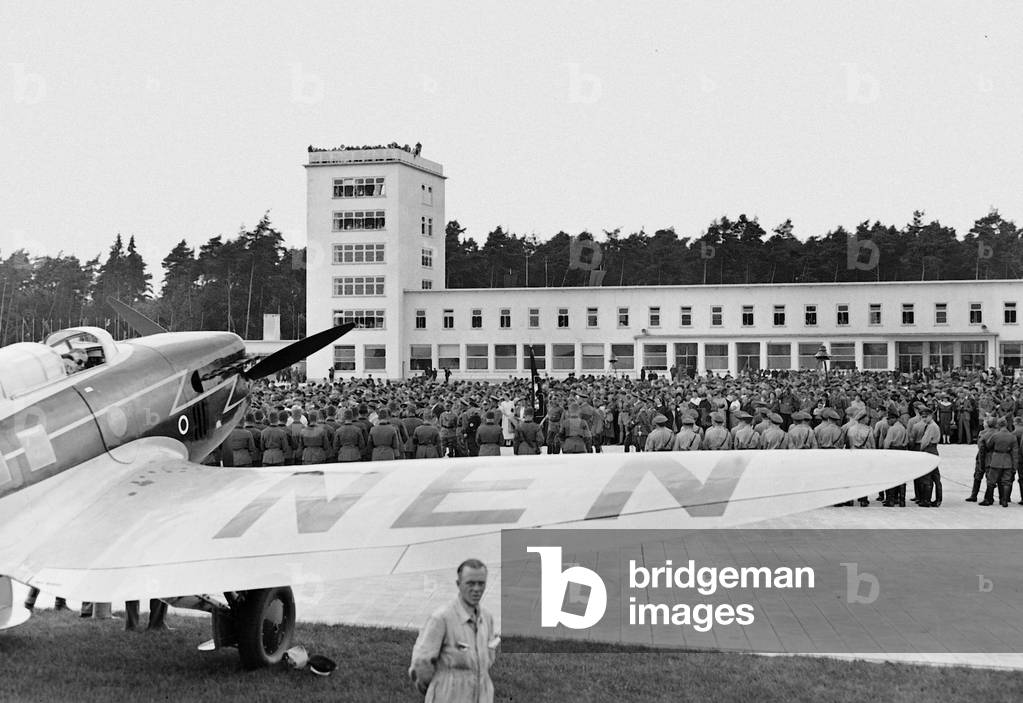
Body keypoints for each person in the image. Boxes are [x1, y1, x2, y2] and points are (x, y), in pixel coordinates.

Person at [409, 559, 497, 703]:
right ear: (458, 584)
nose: (476, 589)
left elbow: (488, 658)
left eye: (481, 583)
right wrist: (439, 689)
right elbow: (421, 664)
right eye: (470, 583)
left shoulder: (486, 619)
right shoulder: (441, 619)